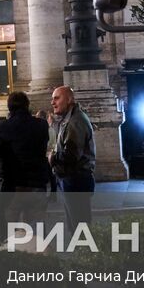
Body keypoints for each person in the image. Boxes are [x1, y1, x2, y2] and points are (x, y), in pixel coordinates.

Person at [0, 91, 50, 243]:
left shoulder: (6, 126)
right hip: (37, 184)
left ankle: (12, 259)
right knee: (37, 231)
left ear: (9, 107)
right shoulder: (41, 125)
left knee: (7, 227)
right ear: (27, 105)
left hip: (14, 185)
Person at [49, 86, 96, 235]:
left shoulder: (75, 121)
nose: (52, 102)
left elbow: (71, 155)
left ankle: (86, 256)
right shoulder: (70, 118)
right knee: (77, 224)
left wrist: (52, 157)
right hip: (72, 178)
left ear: (69, 99)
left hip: (75, 179)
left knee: (78, 226)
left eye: (57, 98)